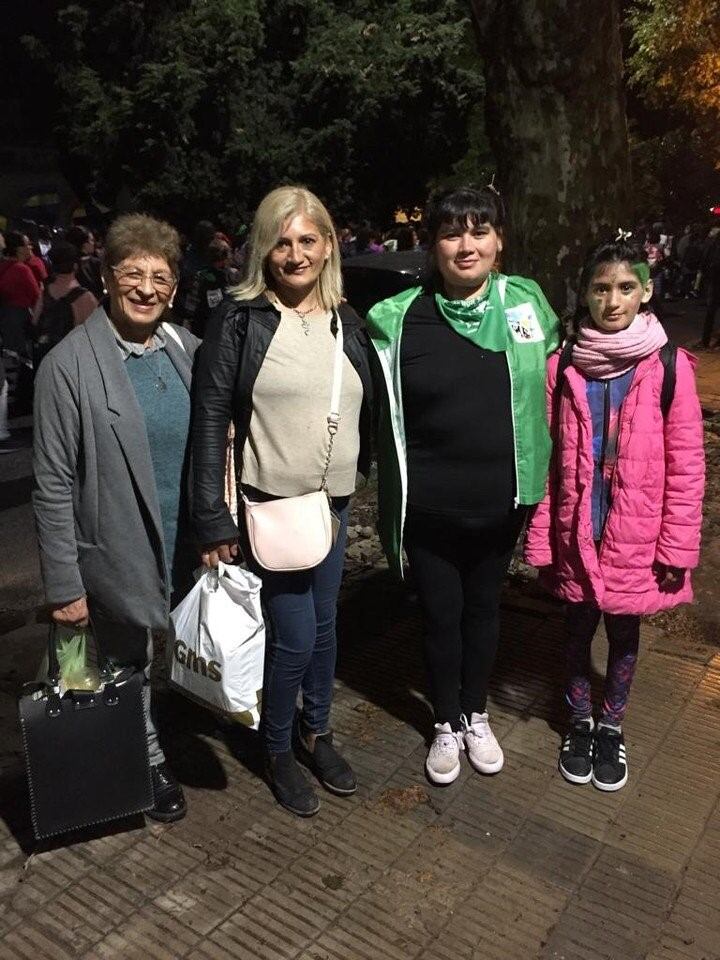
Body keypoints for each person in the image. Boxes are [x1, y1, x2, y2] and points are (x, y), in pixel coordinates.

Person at [366, 184, 560, 786]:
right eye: (453, 232)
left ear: (499, 242)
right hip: (429, 509)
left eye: (480, 231)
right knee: (440, 618)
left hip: (500, 503)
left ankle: (477, 713)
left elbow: (561, 388)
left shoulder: (527, 307)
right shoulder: (397, 320)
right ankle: (445, 723)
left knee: (483, 612)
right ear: (434, 246)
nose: (466, 244)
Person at [192, 185, 373, 817]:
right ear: (262, 250)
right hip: (273, 506)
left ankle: (316, 732)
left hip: (334, 504)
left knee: (325, 629)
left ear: (328, 245)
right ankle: (277, 750)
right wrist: (212, 518)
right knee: (295, 634)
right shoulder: (239, 319)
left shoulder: (346, 318)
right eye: (281, 242)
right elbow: (211, 416)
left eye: (307, 240)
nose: (294, 255)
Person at [32, 213, 200, 823]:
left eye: (161, 277)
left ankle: (153, 729)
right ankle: (144, 761)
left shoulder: (186, 349)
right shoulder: (67, 367)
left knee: (169, 657)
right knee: (122, 661)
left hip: (183, 541)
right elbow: (50, 484)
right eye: (133, 274)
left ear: (175, 286)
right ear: (106, 277)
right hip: (114, 549)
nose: (147, 289)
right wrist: (64, 586)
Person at [525, 237, 705, 791]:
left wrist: (677, 548)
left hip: (636, 539)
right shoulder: (563, 365)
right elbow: (547, 458)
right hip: (576, 533)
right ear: (583, 294)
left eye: (626, 287)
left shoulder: (668, 366)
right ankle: (579, 722)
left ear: (646, 292)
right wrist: (540, 538)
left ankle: (612, 725)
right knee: (576, 632)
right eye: (600, 288)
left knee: (624, 638)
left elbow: (687, 464)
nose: (613, 300)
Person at [31, 241, 98, 367]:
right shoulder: (86, 298)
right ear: (75, 266)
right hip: (72, 360)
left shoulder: (45, 291)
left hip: (45, 357)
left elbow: (35, 322)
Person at [65, 225, 104, 299]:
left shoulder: (66, 266)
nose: (94, 243)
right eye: (92, 240)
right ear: (84, 245)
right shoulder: (95, 263)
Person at [701, 229, 720, 347]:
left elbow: (705, 261)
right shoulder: (713, 246)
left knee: (711, 312)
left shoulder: (713, 245)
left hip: (714, 280)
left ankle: (705, 340)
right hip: (715, 280)